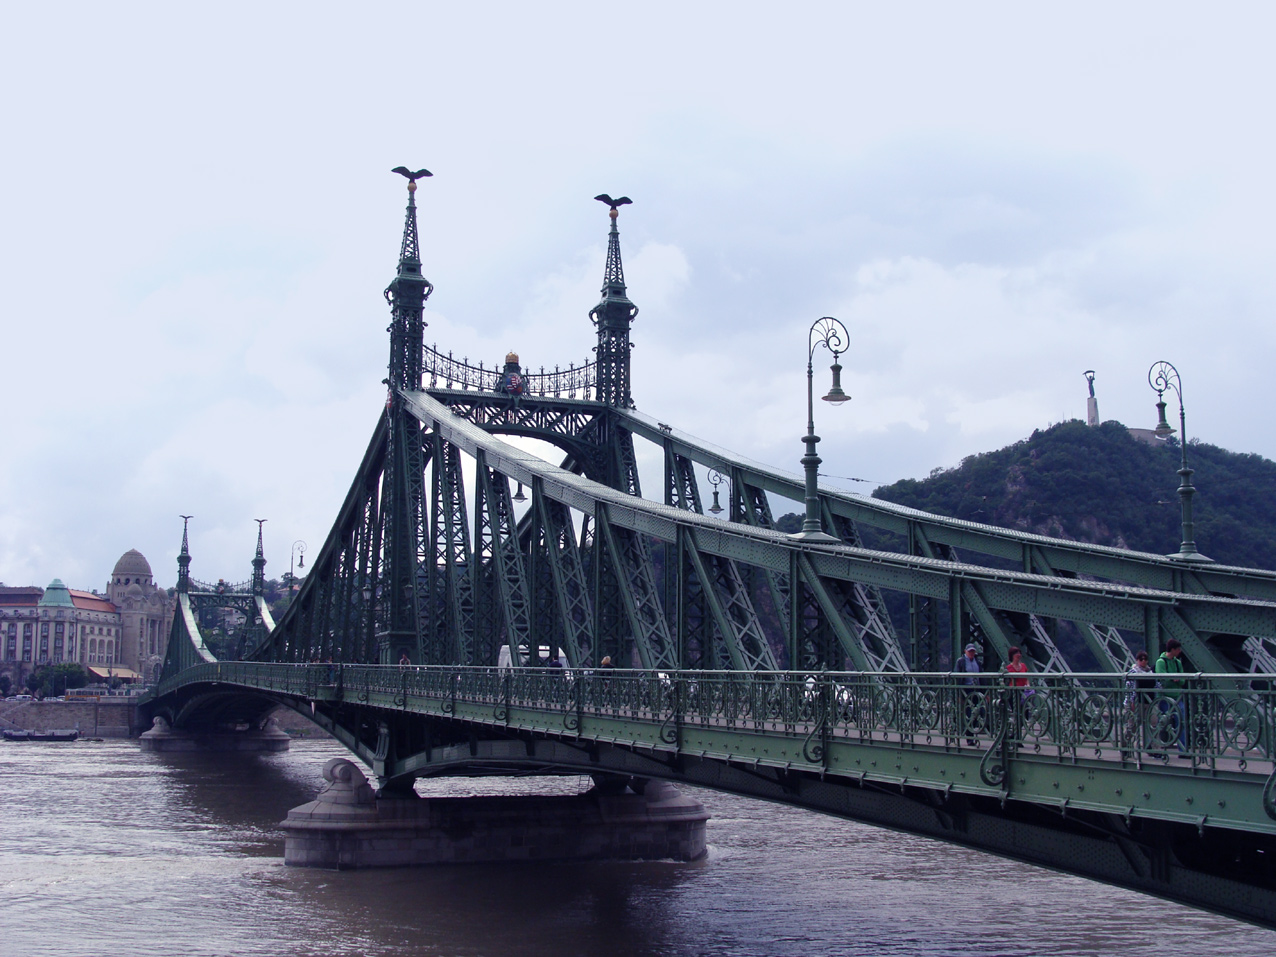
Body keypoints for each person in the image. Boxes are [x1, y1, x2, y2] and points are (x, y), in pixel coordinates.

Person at [1154, 639, 1187, 755]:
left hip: (1177, 697)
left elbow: (1183, 680)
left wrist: (1175, 679)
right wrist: (1174, 679)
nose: (1179, 651)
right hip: (1165, 698)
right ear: (1172, 650)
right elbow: (1162, 679)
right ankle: (1157, 748)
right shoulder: (1161, 662)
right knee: (1162, 723)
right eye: (1178, 649)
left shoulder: (1177, 662)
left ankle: (1183, 750)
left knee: (1181, 722)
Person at [1124, 650, 1155, 749]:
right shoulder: (1133, 672)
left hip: (1149, 702)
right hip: (1137, 703)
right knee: (1132, 726)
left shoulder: (1150, 671)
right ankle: (1125, 746)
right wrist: (1131, 702)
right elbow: (1130, 688)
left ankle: (1153, 748)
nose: (1144, 661)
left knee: (1154, 724)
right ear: (1137, 660)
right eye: (1141, 659)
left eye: (1145, 659)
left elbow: (1157, 685)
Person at [954, 644, 982, 746]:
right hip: (966, 690)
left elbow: (982, 676)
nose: (971, 653)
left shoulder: (977, 662)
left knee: (978, 713)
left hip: (977, 690)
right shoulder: (961, 661)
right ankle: (969, 738)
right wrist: (958, 694)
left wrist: (985, 690)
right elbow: (957, 677)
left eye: (973, 651)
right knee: (969, 714)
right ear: (965, 651)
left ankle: (971, 732)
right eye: (970, 651)